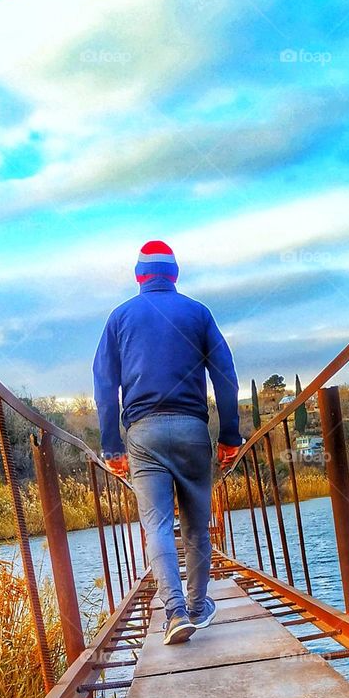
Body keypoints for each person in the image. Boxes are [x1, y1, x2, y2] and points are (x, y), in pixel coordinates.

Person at [93, 240, 242, 645]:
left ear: (139, 276)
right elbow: (225, 375)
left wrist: (112, 446)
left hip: (143, 434)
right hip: (193, 430)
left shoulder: (119, 318)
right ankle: (198, 606)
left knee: (157, 524)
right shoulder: (198, 313)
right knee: (196, 525)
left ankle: (174, 612)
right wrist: (230, 435)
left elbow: (105, 386)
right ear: (174, 274)